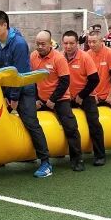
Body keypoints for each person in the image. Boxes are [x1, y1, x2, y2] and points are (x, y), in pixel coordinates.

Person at [0, 11, 52, 178]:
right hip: (6, 90)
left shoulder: (19, 44)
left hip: (24, 89)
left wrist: (14, 98)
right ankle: (0, 157)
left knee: (31, 123)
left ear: (4, 25)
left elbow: (21, 74)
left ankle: (46, 163)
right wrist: (2, 94)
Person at [31, 30, 84, 171]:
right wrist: (36, 99)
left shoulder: (59, 58)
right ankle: (30, 155)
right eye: (37, 44)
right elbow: (32, 80)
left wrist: (53, 99)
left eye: (43, 44)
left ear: (50, 44)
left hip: (60, 99)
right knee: (29, 120)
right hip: (41, 99)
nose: (40, 46)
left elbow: (65, 82)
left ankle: (77, 159)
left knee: (71, 127)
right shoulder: (33, 56)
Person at [63, 31, 102, 168]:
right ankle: (67, 155)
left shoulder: (85, 57)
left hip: (86, 96)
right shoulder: (60, 57)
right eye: (66, 43)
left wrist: (81, 96)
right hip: (67, 97)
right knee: (67, 124)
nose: (68, 46)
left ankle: (100, 155)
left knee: (94, 123)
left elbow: (94, 80)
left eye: (71, 43)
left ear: (77, 43)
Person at [85, 30, 111, 165]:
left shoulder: (110, 53)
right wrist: (94, 94)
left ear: (101, 41)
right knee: (92, 119)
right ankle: (91, 151)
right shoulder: (87, 55)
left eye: (94, 41)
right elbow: (88, 78)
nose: (91, 44)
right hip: (96, 93)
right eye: (89, 42)